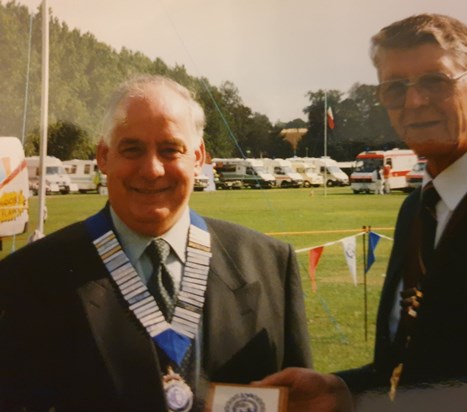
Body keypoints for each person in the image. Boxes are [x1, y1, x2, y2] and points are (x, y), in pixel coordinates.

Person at [256, 13, 467, 410]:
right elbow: (410, 366)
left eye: (435, 81)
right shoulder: (416, 208)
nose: (414, 101)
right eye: (395, 87)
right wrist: (344, 390)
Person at [0, 75, 312, 412]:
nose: (151, 169)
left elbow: (301, 402)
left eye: (170, 150)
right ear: (104, 156)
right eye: (132, 149)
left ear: (198, 157)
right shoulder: (27, 278)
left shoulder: (269, 265)